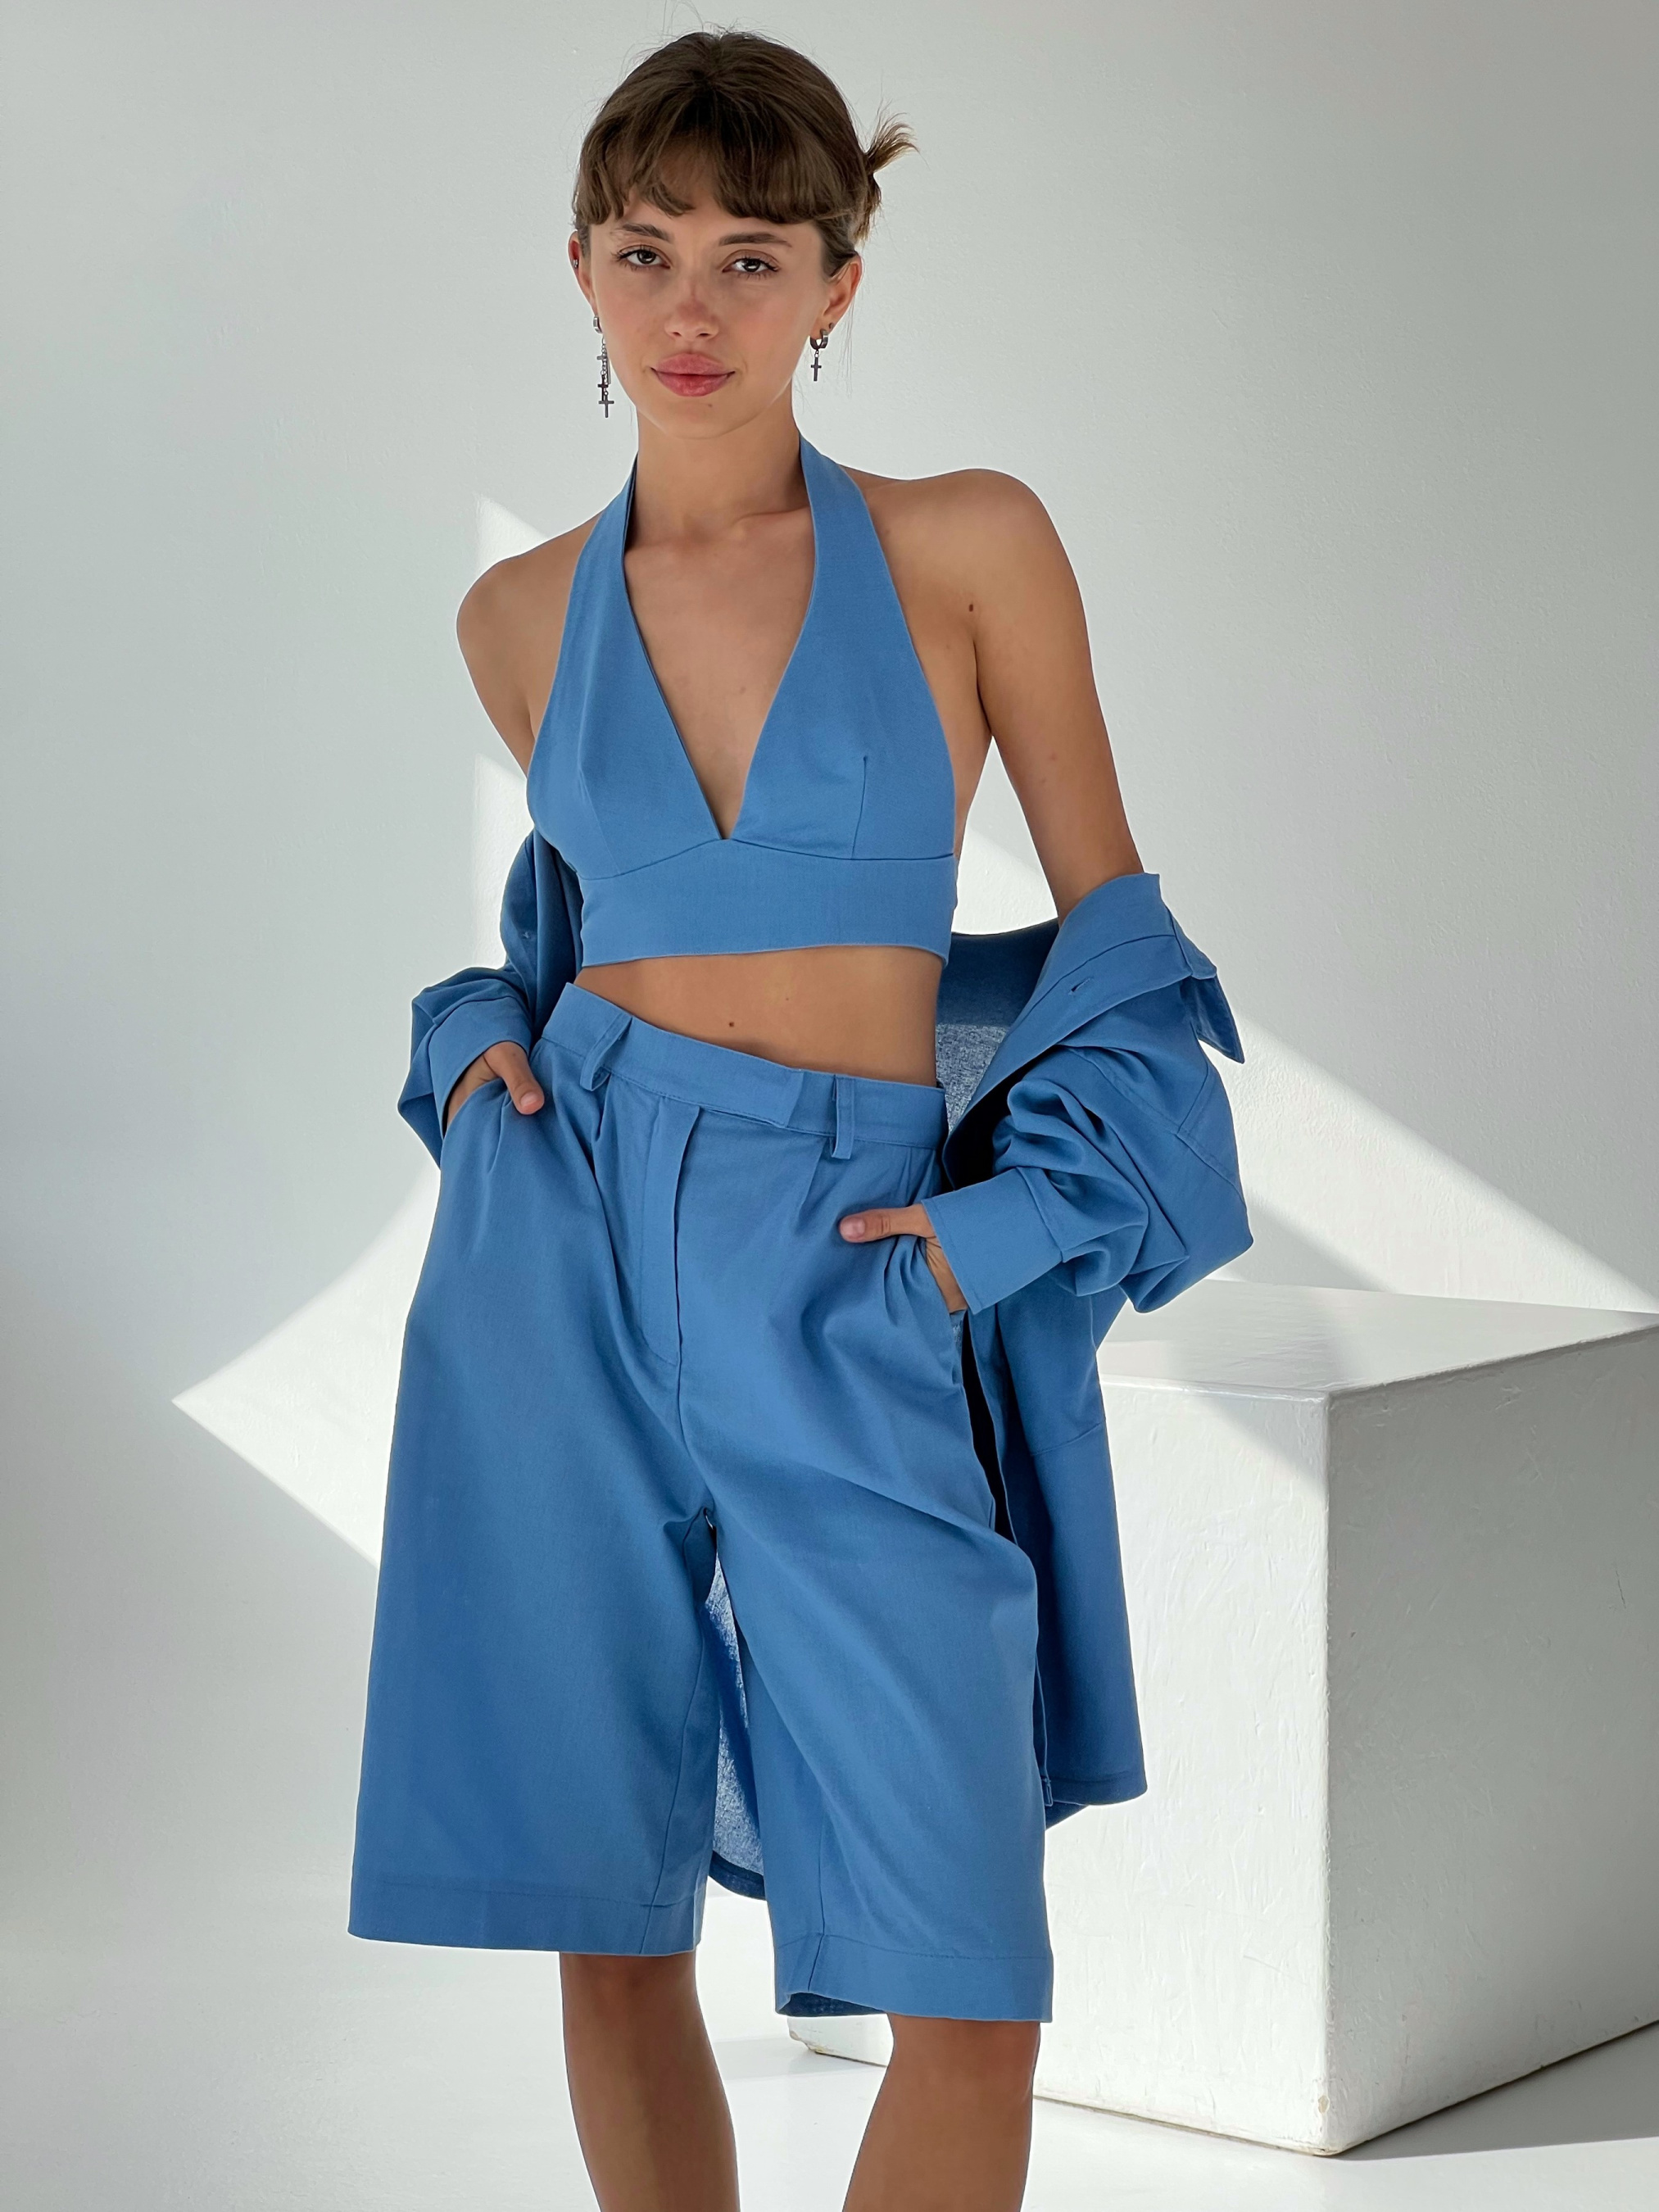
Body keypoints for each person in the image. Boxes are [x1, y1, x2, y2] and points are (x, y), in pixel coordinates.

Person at [348, 29, 1251, 2212]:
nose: (692, 308)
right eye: (645, 251)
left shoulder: (965, 544)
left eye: (751, 257)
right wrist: (473, 1025)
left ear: (839, 283)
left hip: (853, 1258)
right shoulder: (514, 617)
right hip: (563, 1256)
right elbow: (583, 938)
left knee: (968, 1973)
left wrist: (999, 1232)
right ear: (579, 267)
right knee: (606, 1906)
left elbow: (1119, 945)